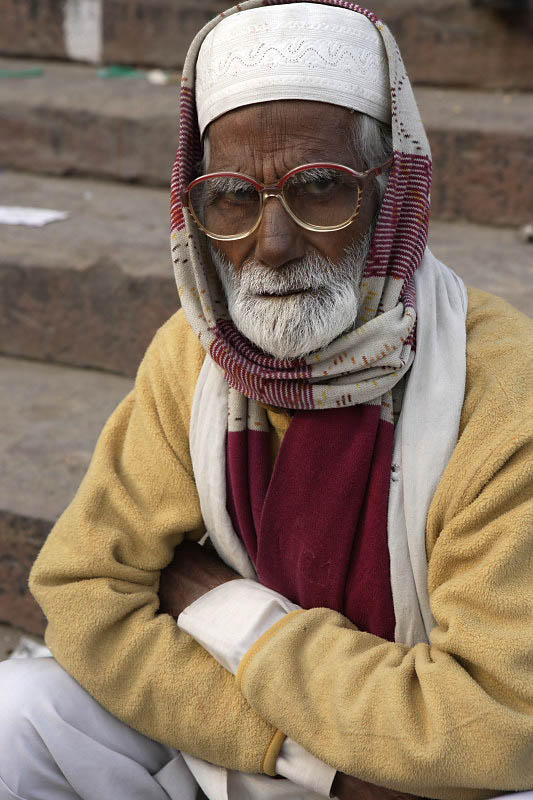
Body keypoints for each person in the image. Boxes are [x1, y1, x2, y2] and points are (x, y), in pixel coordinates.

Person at [1, 2, 532, 800]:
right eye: (232, 198)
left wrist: (232, 615)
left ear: (393, 189)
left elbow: (492, 722)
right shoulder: (193, 356)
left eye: (321, 188)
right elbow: (82, 597)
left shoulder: (499, 388)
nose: (272, 243)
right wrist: (311, 765)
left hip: (435, 784)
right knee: (22, 716)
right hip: (277, 759)